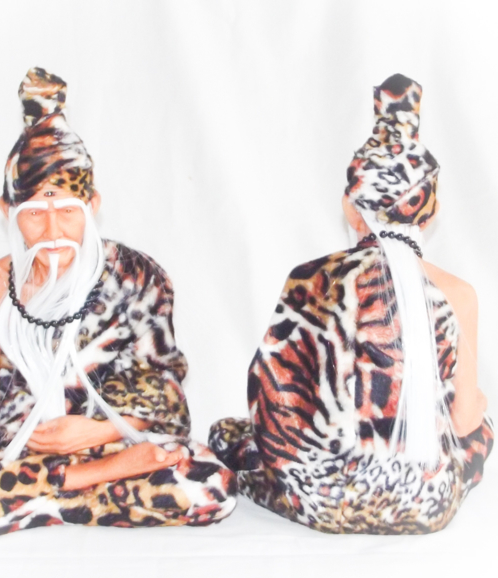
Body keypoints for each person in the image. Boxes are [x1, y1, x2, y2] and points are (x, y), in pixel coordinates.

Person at [0, 67, 236, 540]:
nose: (53, 231)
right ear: (7, 212)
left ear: (92, 205)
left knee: (210, 487)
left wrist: (96, 431)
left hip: (115, 436)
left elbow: (163, 393)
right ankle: (80, 483)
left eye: (68, 212)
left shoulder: (137, 275)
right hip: (22, 441)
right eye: (35, 213)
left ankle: (23, 498)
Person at [208, 74, 493, 534]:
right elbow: (463, 424)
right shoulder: (457, 293)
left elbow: (270, 405)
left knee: (226, 432)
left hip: (319, 502)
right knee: (485, 427)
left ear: (349, 205)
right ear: (432, 210)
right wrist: (476, 403)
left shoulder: (308, 279)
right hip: (424, 505)